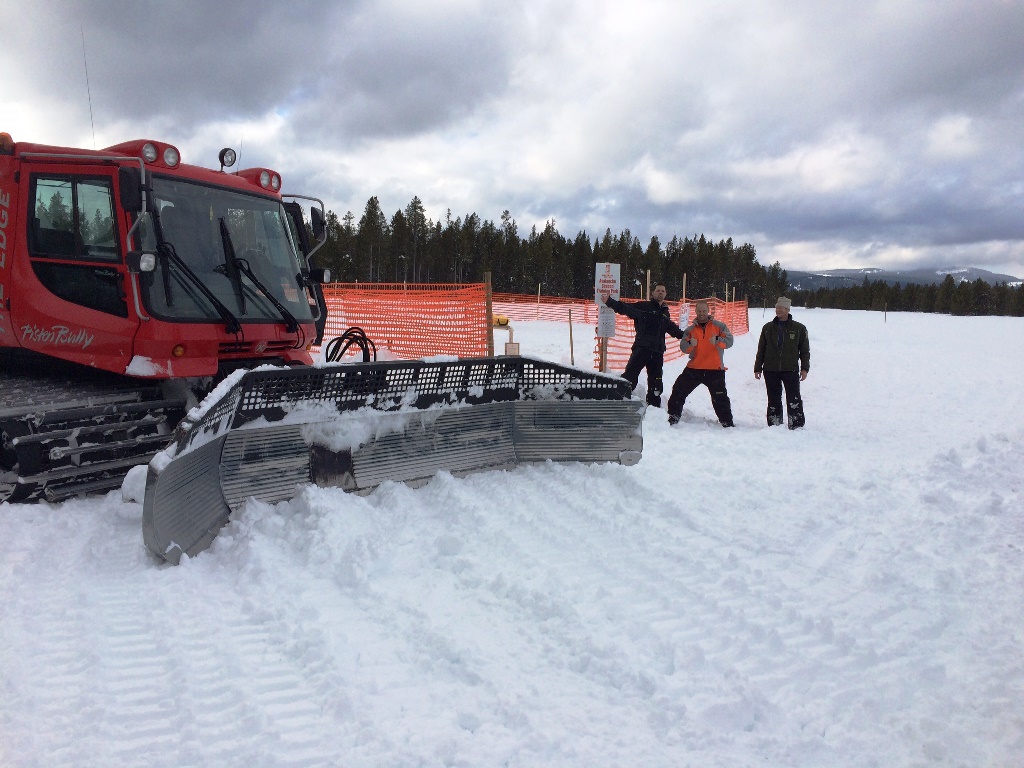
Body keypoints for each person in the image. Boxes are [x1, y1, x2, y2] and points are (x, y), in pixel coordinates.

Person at [599, 283, 685, 407]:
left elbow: (671, 328)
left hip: (657, 352)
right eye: (658, 290)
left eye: (663, 291)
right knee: (630, 378)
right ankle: (617, 401)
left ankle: (654, 409)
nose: (660, 292)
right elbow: (625, 308)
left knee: (656, 383)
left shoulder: (665, 312)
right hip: (642, 349)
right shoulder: (644, 306)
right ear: (653, 293)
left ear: (665, 294)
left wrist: (685, 335)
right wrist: (610, 302)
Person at [666, 300, 734, 427]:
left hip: (715, 369)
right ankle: (673, 417)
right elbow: (684, 348)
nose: (701, 313)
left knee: (720, 399)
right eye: (699, 311)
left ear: (708, 311)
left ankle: (727, 423)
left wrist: (718, 340)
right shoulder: (690, 330)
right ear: (695, 312)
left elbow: (730, 342)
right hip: (694, 369)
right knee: (678, 391)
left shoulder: (719, 326)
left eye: (704, 311)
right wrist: (691, 344)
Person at [754, 296, 810, 429]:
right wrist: (758, 367)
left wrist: (804, 368)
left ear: (788, 309)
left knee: (794, 398)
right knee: (773, 398)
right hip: (770, 369)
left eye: (782, 308)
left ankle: (796, 424)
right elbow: (761, 349)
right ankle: (774, 424)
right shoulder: (767, 328)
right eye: (777, 307)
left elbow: (804, 351)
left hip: (790, 369)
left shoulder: (799, 328)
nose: (778, 310)